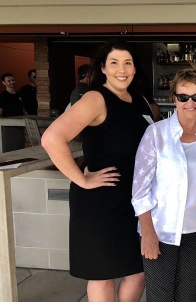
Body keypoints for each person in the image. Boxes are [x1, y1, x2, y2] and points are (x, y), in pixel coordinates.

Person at [42, 39, 150, 302]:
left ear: (135, 68)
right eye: (114, 63)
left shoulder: (140, 101)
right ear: (103, 68)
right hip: (99, 202)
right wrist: (81, 179)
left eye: (127, 63)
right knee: (102, 275)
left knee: (137, 271)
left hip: (133, 201)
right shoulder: (95, 98)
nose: (121, 69)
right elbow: (51, 138)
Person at [132, 66, 196, 302]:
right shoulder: (155, 134)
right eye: (183, 97)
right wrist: (148, 234)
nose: (190, 103)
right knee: (159, 296)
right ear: (174, 97)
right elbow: (140, 191)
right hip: (161, 231)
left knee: (188, 296)